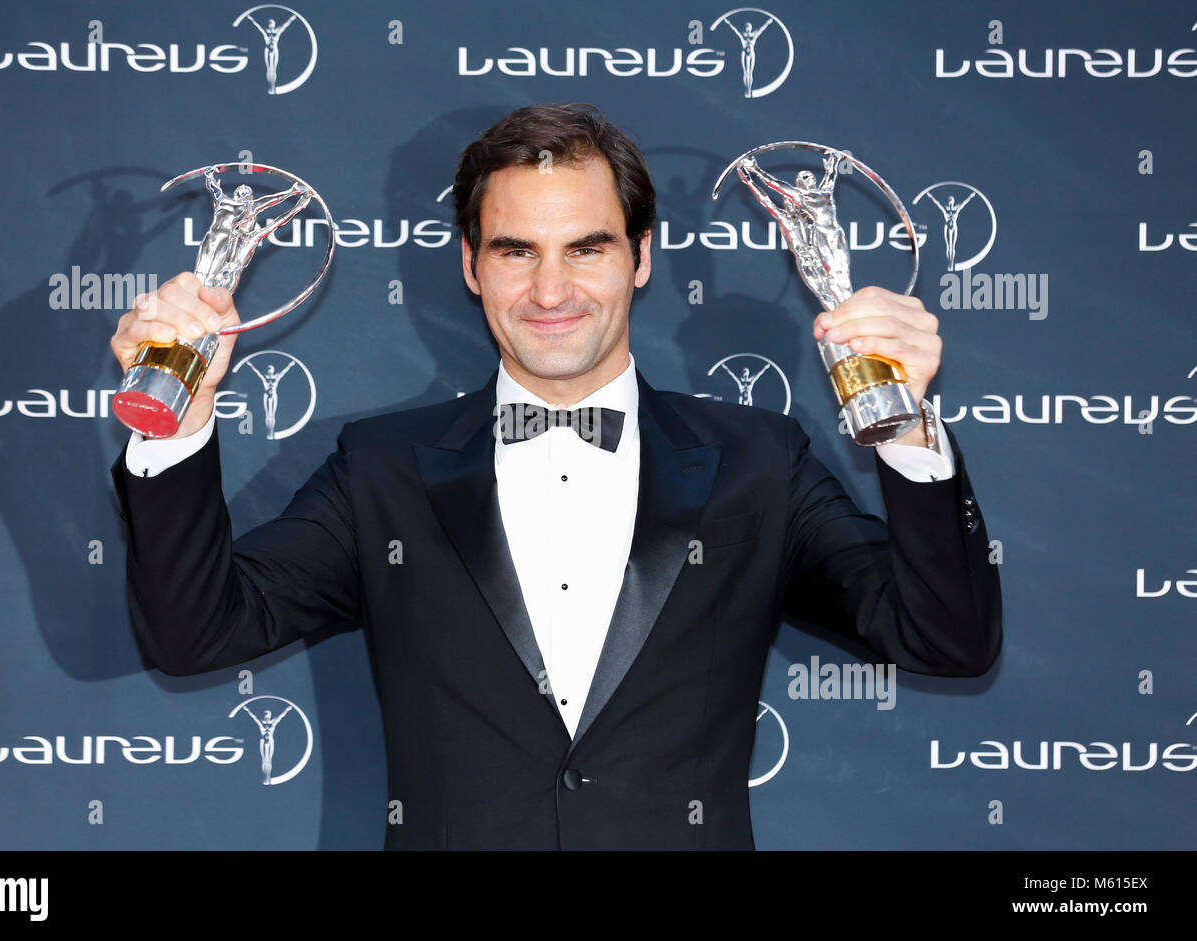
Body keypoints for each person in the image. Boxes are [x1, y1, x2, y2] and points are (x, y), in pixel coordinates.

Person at [109, 103, 1001, 850]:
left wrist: (909, 429)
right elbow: (197, 635)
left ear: (640, 258)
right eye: (514, 250)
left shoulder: (759, 462)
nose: (550, 289)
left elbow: (944, 639)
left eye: (586, 248)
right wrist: (177, 427)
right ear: (470, 265)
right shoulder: (381, 469)